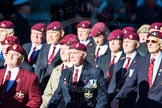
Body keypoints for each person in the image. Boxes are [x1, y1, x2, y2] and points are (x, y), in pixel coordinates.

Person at [111, 31, 162, 108]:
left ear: (161, 44)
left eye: (153, 41)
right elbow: (130, 83)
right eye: (148, 41)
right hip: (141, 104)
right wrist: (118, 97)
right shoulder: (141, 61)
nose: (150, 44)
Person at [48, 42, 108, 108]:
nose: (72, 56)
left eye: (75, 53)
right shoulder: (65, 72)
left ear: (84, 55)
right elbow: (57, 95)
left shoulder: (95, 72)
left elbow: (103, 98)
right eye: (70, 53)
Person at [41, 34, 77, 108]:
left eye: (66, 49)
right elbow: (48, 95)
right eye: (61, 49)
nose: (62, 52)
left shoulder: (79, 70)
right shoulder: (56, 70)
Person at [35, 21, 63, 93]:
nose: (50, 36)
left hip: (56, 88)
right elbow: (38, 67)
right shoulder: (44, 47)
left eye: (53, 33)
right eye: (48, 33)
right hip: (41, 87)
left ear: (62, 33)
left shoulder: (65, 48)